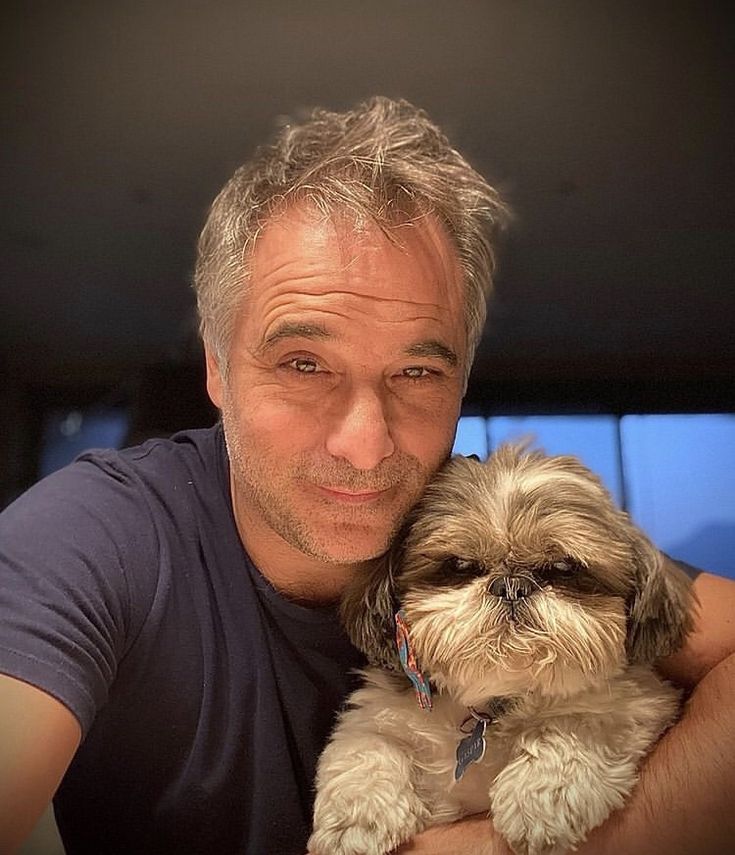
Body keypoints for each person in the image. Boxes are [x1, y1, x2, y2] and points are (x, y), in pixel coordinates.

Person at [0, 97, 733, 855]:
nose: (364, 441)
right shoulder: (91, 537)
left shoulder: (503, 505)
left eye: (415, 370)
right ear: (217, 368)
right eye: (303, 363)